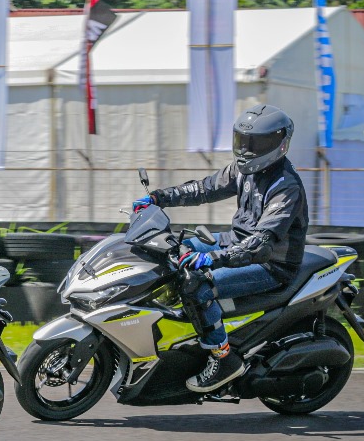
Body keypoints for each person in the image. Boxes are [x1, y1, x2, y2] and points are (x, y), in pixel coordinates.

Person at [132, 104, 308, 393]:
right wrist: (157, 198)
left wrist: (212, 258)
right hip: (234, 242)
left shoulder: (285, 187)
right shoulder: (243, 171)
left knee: (198, 284)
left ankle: (222, 358)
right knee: (170, 248)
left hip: (270, 264)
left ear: (280, 143)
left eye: (257, 143)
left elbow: (261, 244)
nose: (248, 150)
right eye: (243, 141)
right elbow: (203, 189)